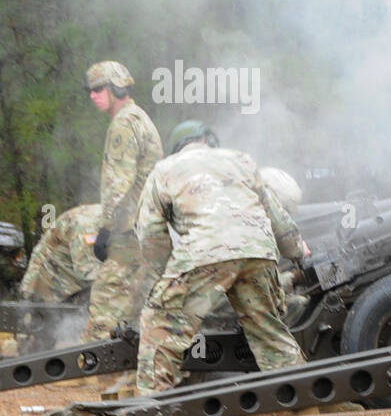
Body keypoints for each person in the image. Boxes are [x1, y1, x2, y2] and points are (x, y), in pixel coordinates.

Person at [133, 121, 307, 395]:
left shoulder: (164, 169)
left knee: (162, 324)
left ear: (177, 147)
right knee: (270, 333)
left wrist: (165, 273)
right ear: (208, 140)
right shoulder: (242, 160)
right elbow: (278, 218)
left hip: (203, 253)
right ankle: (303, 398)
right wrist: (296, 252)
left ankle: (148, 405)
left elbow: (149, 233)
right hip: (257, 252)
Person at [81, 61, 163, 341]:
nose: (92, 95)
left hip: (129, 231)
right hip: (147, 227)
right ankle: (124, 373)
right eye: (90, 91)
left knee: (106, 300)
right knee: (136, 305)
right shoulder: (138, 117)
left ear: (116, 87)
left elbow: (119, 181)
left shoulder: (124, 124)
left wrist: (105, 229)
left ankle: (88, 371)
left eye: (98, 89)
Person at [18, 204, 102, 303]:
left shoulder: (114, 221)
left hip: (72, 288)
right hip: (46, 288)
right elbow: (87, 271)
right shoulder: (87, 224)